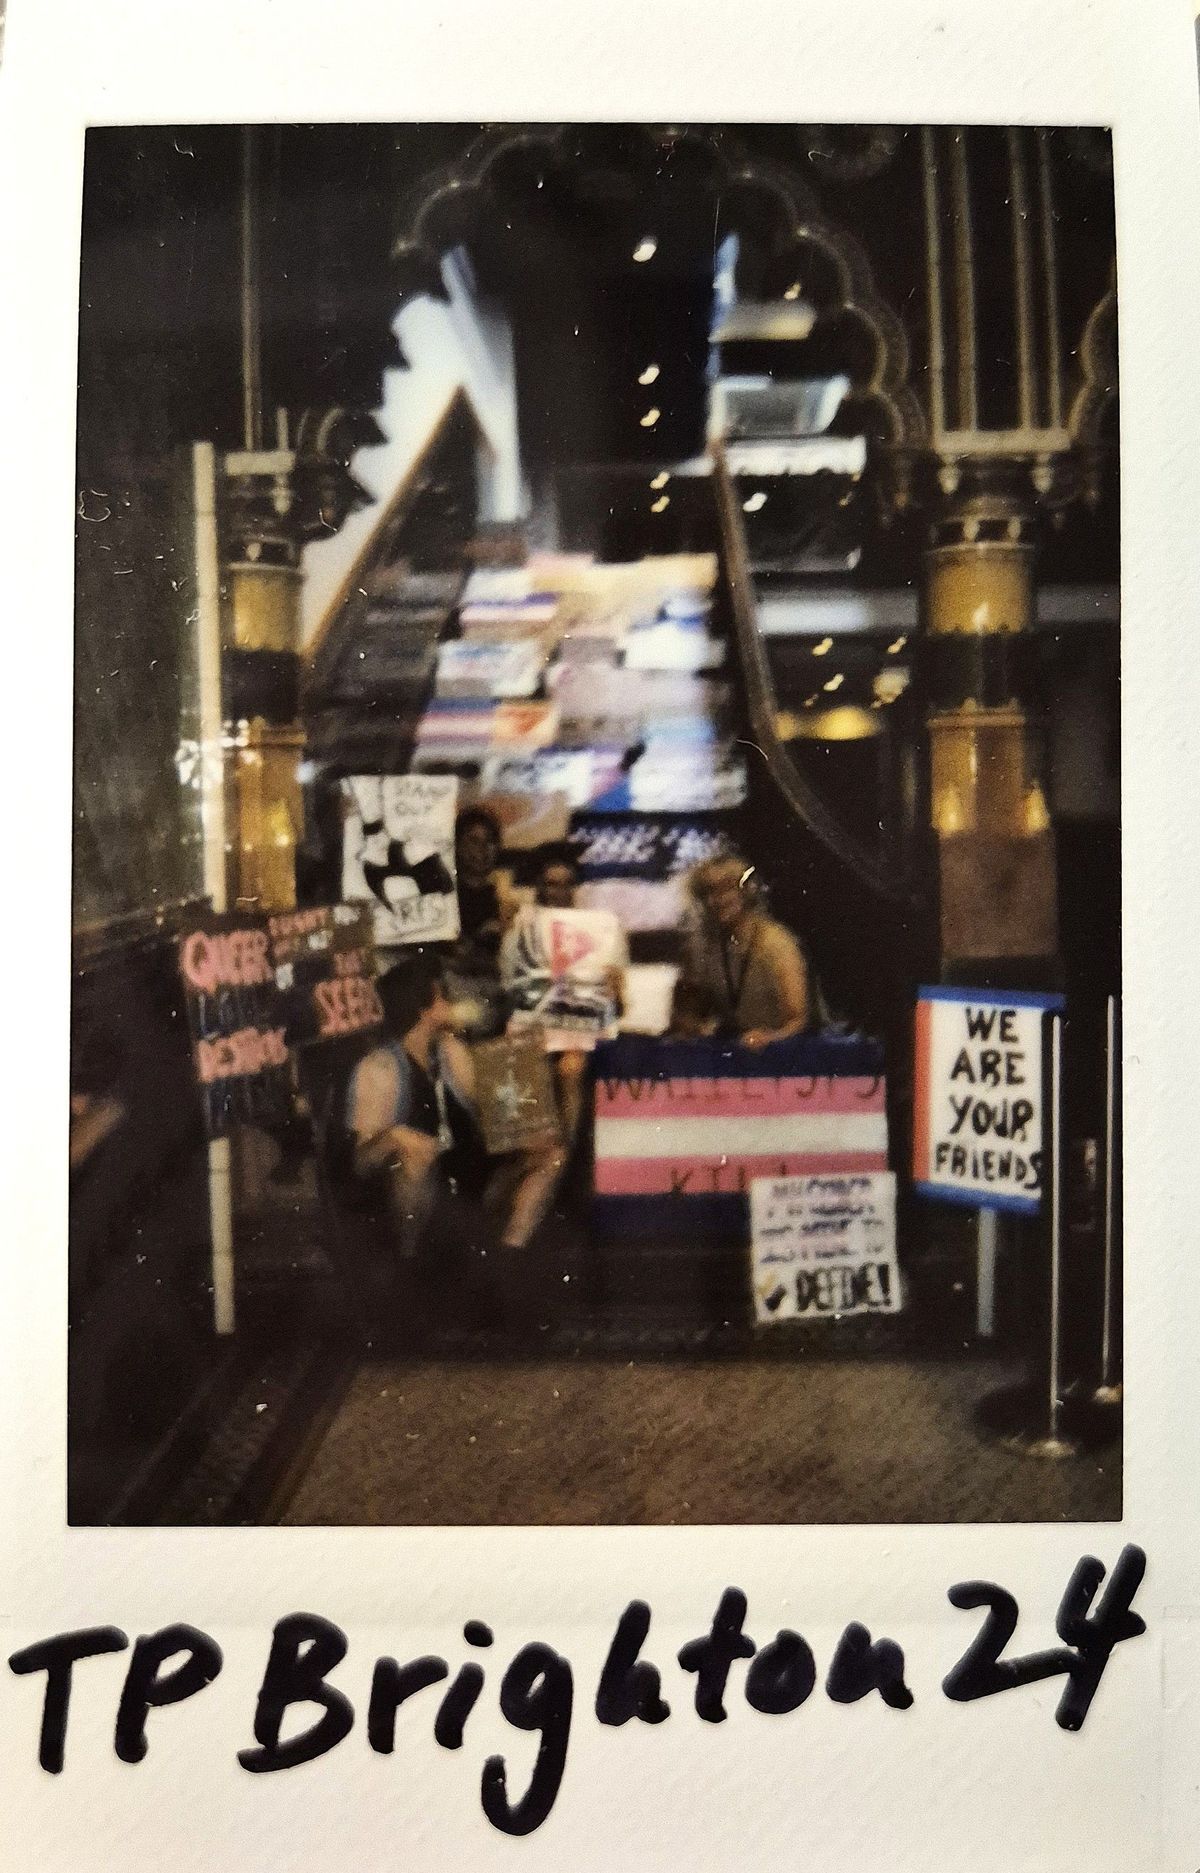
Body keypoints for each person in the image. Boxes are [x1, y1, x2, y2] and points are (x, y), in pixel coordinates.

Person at [344, 954, 563, 1255]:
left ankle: (509, 1255)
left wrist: (521, 1070)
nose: (451, 1003)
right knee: (412, 1156)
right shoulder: (379, 1068)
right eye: (443, 996)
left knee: (549, 1155)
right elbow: (361, 1162)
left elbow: (496, 1116)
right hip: (412, 1197)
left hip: (463, 1187)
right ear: (423, 1009)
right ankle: (409, 1260)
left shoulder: (449, 1051)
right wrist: (395, 1138)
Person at [500, 843, 627, 1154]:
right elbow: (511, 989)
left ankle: (564, 1159)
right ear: (539, 887)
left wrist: (613, 989)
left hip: (580, 1032)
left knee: (570, 1067)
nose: (559, 891)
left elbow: (618, 1007)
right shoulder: (521, 930)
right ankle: (530, 1159)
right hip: (537, 1026)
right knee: (519, 1057)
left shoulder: (601, 932)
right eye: (551, 883)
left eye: (567, 884)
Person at [680, 854, 811, 1048]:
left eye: (725, 889)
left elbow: (799, 1019)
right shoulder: (707, 947)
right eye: (707, 892)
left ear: (747, 891)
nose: (715, 901)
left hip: (784, 1058)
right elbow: (693, 1009)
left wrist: (770, 1038)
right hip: (736, 1055)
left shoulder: (776, 944)